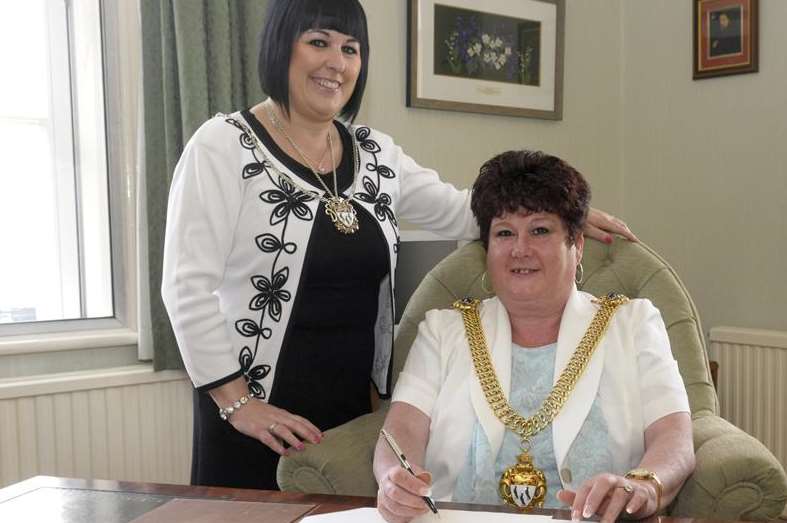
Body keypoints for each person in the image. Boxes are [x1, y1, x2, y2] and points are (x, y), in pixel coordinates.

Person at [161, 0, 637, 492]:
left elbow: (462, 209)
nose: (337, 63)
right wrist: (241, 406)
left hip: (348, 410)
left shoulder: (375, 154)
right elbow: (186, 287)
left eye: (351, 49)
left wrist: (562, 213)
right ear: (281, 47)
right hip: (254, 411)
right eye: (318, 42)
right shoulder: (222, 146)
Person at [373, 150, 694, 522]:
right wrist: (395, 481)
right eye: (504, 233)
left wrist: (642, 485)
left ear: (577, 245)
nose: (519, 249)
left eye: (540, 230)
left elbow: (675, 438)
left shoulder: (633, 323)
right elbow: (400, 431)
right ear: (487, 250)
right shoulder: (444, 330)